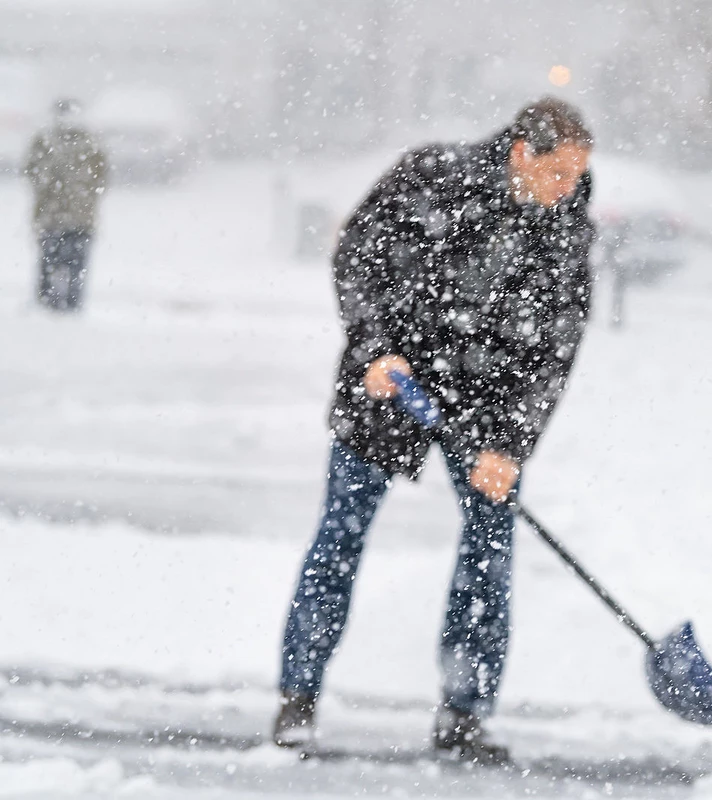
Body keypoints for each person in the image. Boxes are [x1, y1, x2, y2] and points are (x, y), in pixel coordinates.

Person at [274, 98, 595, 763]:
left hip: (488, 405)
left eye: (577, 176)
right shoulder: (430, 177)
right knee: (341, 535)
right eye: (558, 174)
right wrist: (372, 348)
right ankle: (297, 700)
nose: (568, 190)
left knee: (489, 551)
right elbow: (359, 255)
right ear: (520, 155)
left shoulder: (565, 228)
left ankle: (464, 715)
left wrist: (510, 446)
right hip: (395, 381)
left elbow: (556, 349)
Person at [23, 98, 108, 312]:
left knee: (55, 263)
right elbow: (101, 178)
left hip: (59, 217)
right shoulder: (86, 143)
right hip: (69, 217)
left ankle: (57, 304)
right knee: (66, 264)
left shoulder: (51, 142)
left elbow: (31, 172)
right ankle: (62, 304)